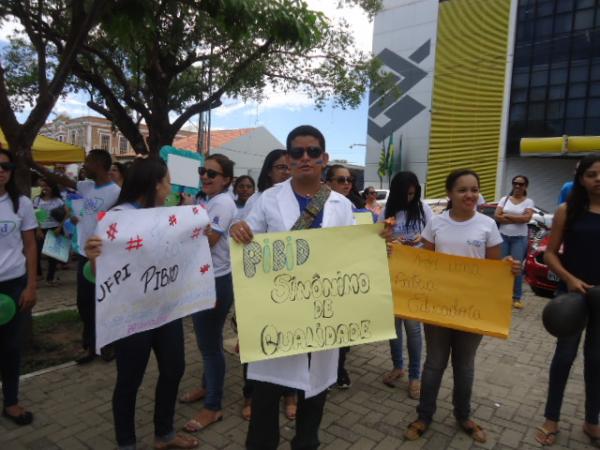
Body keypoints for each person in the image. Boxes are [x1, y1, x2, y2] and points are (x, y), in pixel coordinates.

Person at [230, 125, 354, 450]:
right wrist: (238, 228)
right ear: (288, 158)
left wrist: (379, 247)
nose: (305, 158)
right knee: (266, 397)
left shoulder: (341, 205)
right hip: (278, 313)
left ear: (324, 158)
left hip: (321, 315)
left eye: (313, 152)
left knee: (313, 400)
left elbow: (353, 256)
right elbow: (245, 237)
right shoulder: (268, 200)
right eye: (297, 152)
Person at [84, 158, 198, 450]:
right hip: (131, 315)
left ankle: (164, 434)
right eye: (168, 181)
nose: (170, 188)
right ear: (155, 184)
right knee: (129, 380)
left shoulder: (163, 215)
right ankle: (127, 443)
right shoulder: (116, 218)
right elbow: (102, 274)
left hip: (166, 310)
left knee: (174, 369)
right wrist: (95, 257)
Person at [404, 169, 520, 444]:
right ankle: (424, 416)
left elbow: (494, 268)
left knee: (464, 366)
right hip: (437, 308)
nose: (469, 195)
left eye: (474, 189)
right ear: (450, 194)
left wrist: (509, 268)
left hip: (473, 309)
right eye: (462, 190)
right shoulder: (437, 223)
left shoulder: (487, 225)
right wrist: (398, 253)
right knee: (433, 364)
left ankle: (463, 416)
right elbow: (424, 262)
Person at [535, 154, 600, 447]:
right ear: (582, 179)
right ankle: (551, 419)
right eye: (592, 174)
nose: (598, 179)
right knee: (564, 358)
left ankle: (591, 421)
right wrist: (570, 279)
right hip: (571, 296)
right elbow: (549, 254)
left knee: (596, 362)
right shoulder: (567, 210)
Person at [34, 149, 121, 363]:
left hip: (103, 256)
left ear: (100, 164)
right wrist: (35, 165)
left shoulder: (116, 193)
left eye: (88, 162)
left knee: (104, 301)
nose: (84, 166)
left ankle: (107, 345)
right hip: (83, 254)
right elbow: (60, 179)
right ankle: (90, 345)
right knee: (84, 302)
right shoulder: (86, 186)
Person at [232, 149, 296, 422]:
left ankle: (291, 394)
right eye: (280, 167)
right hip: (261, 286)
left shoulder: (299, 199)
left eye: (289, 166)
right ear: (268, 171)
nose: (286, 171)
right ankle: (251, 395)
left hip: (294, 287)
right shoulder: (257, 200)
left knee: (292, 342)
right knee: (256, 342)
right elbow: (242, 234)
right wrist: (237, 229)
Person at [182, 154, 237, 432]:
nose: (205, 177)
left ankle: (213, 406)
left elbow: (209, 240)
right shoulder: (207, 201)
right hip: (204, 278)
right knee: (208, 342)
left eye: (212, 174)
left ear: (226, 180)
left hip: (215, 281)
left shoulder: (223, 203)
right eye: (203, 171)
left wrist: (187, 221)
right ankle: (207, 387)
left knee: (210, 346)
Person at [378, 171, 432, 399]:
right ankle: (398, 366)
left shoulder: (424, 210)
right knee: (393, 326)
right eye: (405, 194)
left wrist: (421, 241)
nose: (409, 198)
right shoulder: (386, 211)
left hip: (416, 278)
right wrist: (389, 241)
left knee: (413, 328)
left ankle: (415, 376)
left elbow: (433, 239)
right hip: (391, 276)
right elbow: (377, 240)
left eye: (413, 193)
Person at [0, 149, 37, 426]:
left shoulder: (21, 203)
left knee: (11, 347)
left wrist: (32, 286)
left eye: (6, 166)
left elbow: (30, 244)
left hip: (14, 284)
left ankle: (11, 402)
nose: (1, 170)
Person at [325, 164, 367, 389]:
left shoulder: (359, 206)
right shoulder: (321, 205)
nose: (346, 184)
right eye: (340, 180)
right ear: (328, 182)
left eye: (349, 180)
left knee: (342, 331)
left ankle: (339, 370)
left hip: (348, 275)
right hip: (325, 275)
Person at [495, 175, 534, 309]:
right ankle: (500, 295)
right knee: (502, 267)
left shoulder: (528, 202)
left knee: (516, 268)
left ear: (525, 186)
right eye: (515, 183)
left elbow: (527, 219)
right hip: (503, 237)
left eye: (521, 184)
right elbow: (497, 216)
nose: (517, 186)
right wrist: (518, 217)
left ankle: (516, 297)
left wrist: (506, 215)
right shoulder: (504, 199)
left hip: (519, 238)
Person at [33, 178, 66, 286]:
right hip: (41, 229)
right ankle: (38, 274)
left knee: (53, 255)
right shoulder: (37, 200)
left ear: (53, 187)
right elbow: (34, 216)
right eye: (43, 186)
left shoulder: (58, 200)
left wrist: (60, 228)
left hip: (55, 229)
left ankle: (50, 278)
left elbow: (66, 214)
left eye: (47, 186)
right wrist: (38, 229)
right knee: (36, 253)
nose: (45, 188)